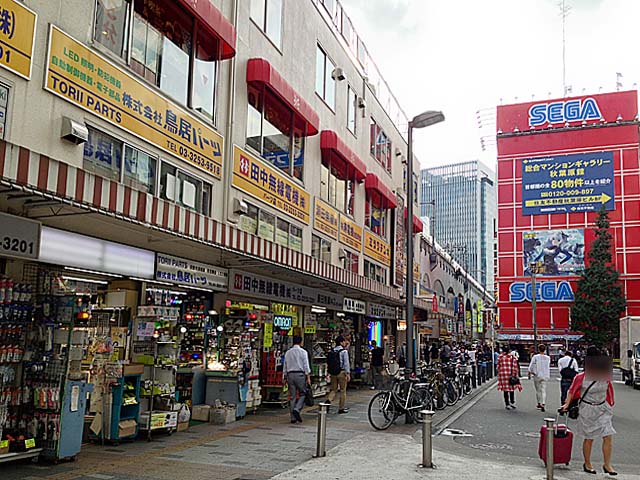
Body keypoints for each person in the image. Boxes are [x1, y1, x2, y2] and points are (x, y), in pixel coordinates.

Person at [561, 347, 616, 475]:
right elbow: (571, 391)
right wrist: (566, 405)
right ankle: (587, 463)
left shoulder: (605, 374)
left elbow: (609, 389)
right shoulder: (581, 377)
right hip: (587, 409)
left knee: (608, 436)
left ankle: (607, 465)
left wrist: (611, 403)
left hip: (603, 408)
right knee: (589, 438)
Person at [282, 335, 311, 424]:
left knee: (292, 396)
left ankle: (292, 418)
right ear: (301, 342)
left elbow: (285, 365)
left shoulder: (288, 352)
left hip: (290, 375)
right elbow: (306, 365)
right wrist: (308, 377)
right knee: (303, 393)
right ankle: (297, 409)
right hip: (300, 375)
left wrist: (284, 376)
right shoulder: (303, 352)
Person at [327, 336, 351, 414]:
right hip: (341, 372)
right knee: (342, 390)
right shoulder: (344, 352)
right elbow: (346, 363)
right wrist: (348, 374)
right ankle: (341, 408)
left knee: (333, 389)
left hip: (333, 373)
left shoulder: (332, 351)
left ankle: (328, 401)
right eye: (344, 341)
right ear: (341, 342)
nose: (345, 343)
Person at [497, 345, 522, 409]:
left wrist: (499, 372)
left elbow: (498, 366)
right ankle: (512, 402)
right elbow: (515, 366)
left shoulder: (500, 357)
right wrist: (516, 374)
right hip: (511, 375)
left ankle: (507, 404)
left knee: (505, 390)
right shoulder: (512, 357)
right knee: (511, 389)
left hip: (503, 375)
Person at [528, 344, 551, 412]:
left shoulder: (535, 357)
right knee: (543, 389)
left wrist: (530, 372)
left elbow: (531, 366)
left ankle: (539, 403)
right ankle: (543, 403)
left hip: (537, 375)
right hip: (545, 375)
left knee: (538, 390)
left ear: (538, 349)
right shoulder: (548, 358)